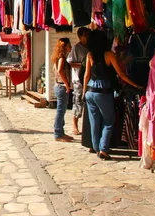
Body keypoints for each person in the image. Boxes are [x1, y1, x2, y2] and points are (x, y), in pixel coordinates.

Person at [83, 31, 142, 160]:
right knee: (109, 121)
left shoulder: (89, 55)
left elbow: (87, 75)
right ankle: (103, 149)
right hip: (103, 91)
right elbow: (120, 74)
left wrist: (83, 92)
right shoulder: (109, 55)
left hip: (90, 91)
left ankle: (96, 147)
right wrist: (136, 85)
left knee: (94, 122)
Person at [67, 27, 91, 136]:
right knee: (77, 102)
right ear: (80, 36)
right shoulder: (77, 48)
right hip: (78, 80)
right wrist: (83, 65)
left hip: (90, 79)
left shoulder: (91, 47)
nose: (87, 37)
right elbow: (71, 62)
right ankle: (75, 126)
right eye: (85, 35)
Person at [52, 38, 73, 142]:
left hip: (58, 85)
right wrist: (66, 84)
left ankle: (61, 132)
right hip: (61, 86)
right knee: (61, 111)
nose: (71, 47)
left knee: (62, 110)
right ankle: (58, 133)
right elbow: (60, 70)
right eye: (69, 45)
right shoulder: (62, 58)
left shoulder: (57, 58)